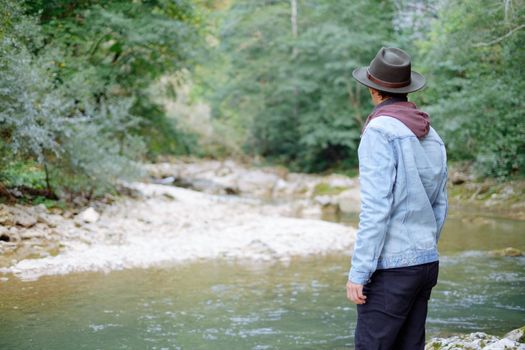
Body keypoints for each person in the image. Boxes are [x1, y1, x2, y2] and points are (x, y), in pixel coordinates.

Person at [345, 47, 448, 350]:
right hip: (426, 263)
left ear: (374, 91)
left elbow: (376, 208)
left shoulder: (378, 131)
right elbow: (440, 203)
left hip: (391, 269)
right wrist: (426, 246)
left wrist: (359, 272)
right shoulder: (432, 134)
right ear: (405, 91)